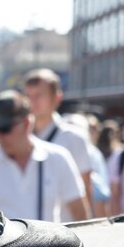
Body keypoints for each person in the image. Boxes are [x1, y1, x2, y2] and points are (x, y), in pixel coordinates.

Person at [0, 90, 88, 223]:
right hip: (1, 243)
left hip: (49, 243)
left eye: (5, 129)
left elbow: (79, 212)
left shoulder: (58, 157)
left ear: (26, 124)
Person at [22, 69, 92, 220]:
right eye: (28, 96)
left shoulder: (74, 138)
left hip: (64, 232)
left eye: (39, 95)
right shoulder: (17, 138)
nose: (32, 102)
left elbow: (85, 190)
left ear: (57, 98)